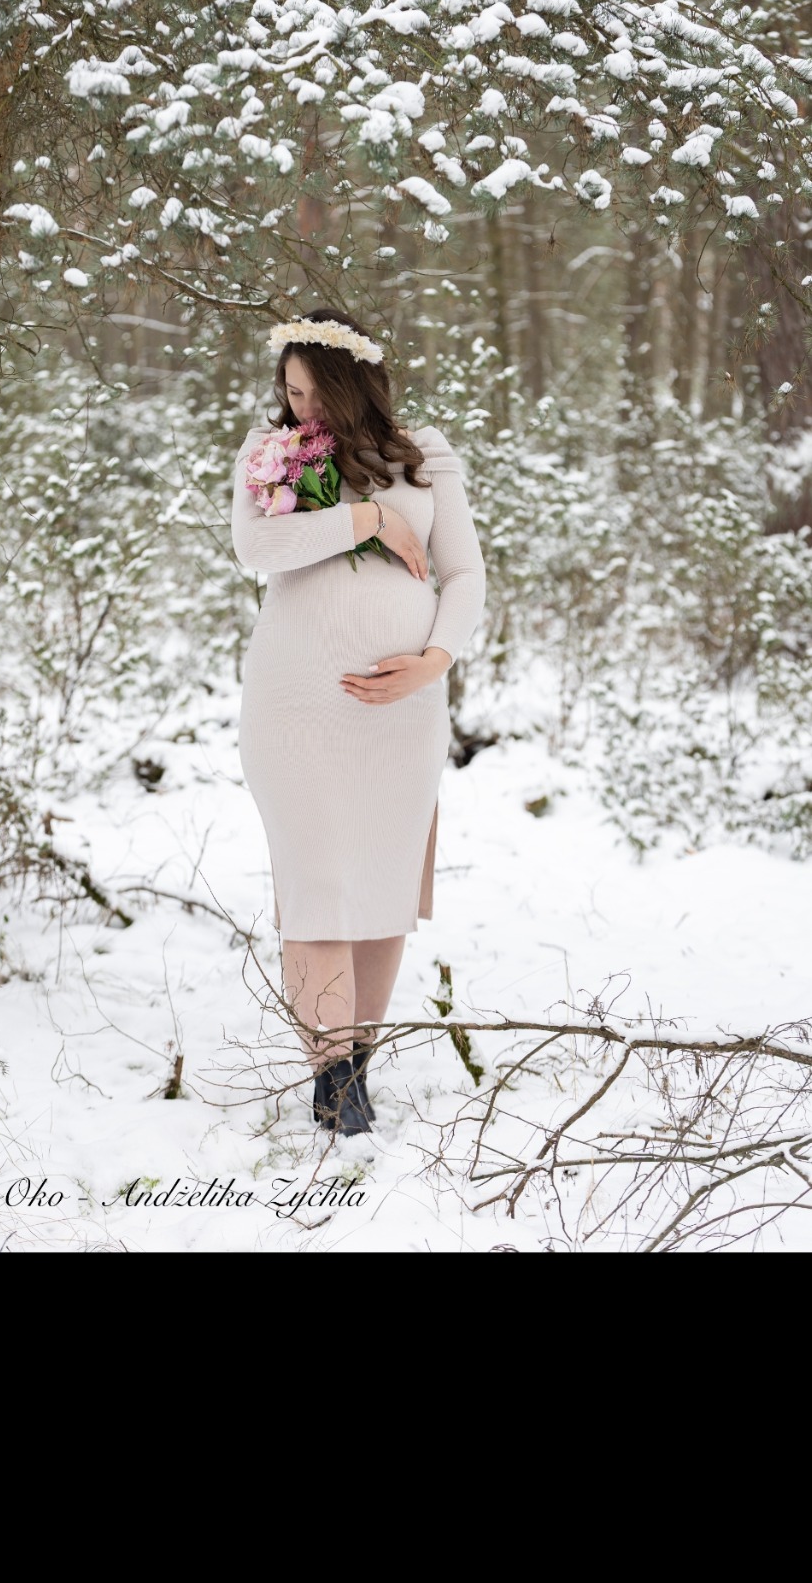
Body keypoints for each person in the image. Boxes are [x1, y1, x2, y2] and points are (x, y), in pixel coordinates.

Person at [231, 308, 486, 1135]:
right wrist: (370, 519)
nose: (297, 406)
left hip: (402, 715)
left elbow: (466, 574)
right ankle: (333, 1082)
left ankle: (357, 1066)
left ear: (350, 382)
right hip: (298, 706)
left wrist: (435, 658)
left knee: (379, 889)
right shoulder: (270, 453)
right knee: (320, 887)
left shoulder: (425, 452)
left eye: (310, 391)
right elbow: (256, 548)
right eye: (289, 389)